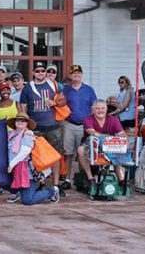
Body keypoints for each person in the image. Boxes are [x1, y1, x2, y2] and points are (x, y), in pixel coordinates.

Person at [19, 61, 65, 194]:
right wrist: (27, 126)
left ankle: (55, 185)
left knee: (56, 156)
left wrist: (55, 102)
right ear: (33, 72)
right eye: (37, 71)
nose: (40, 73)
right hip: (36, 127)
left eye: (42, 71)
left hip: (53, 126)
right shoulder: (28, 88)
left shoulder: (54, 84)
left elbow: (64, 100)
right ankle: (42, 183)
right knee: (37, 157)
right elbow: (23, 108)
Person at [7, 113, 60, 205]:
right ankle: (17, 192)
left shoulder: (28, 135)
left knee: (28, 200)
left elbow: (24, 152)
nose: (20, 122)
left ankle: (51, 192)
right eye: (18, 120)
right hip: (15, 170)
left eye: (23, 120)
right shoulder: (11, 135)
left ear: (27, 123)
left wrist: (11, 165)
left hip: (27, 171)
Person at [77, 100, 128, 191]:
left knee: (118, 149)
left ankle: (121, 180)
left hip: (109, 146)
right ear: (93, 109)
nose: (100, 111)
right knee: (80, 150)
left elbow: (122, 133)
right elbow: (92, 133)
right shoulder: (88, 119)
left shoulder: (114, 120)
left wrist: (122, 138)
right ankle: (90, 178)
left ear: (106, 109)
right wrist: (110, 138)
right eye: (98, 108)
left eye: (103, 108)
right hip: (91, 146)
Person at [61, 64, 97, 189]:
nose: (76, 75)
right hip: (69, 124)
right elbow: (60, 104)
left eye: (79, 73)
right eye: (74, 73)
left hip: (84, 125)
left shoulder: (89, 89)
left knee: (83, 153)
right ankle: (67, 179)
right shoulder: (65, 90)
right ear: (70, 76)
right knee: (68, 153)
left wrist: (93, 124)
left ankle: (83, 179)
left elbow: (94, 108)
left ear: (82, 74)